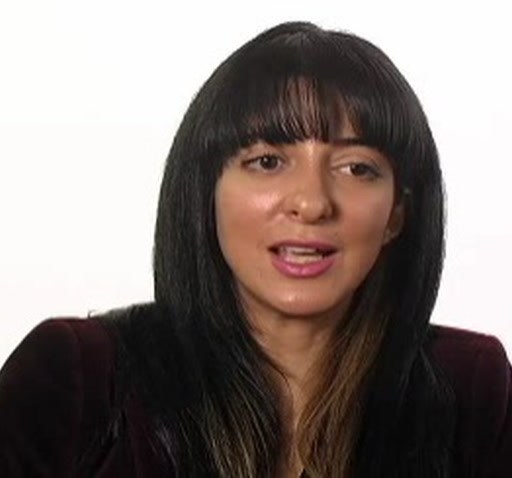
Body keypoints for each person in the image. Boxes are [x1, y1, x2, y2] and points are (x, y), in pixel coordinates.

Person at [0, 21, 510, 478]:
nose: (312, 203)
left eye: (357, 168)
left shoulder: (472, 389)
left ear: (397, 212)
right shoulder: (77, 378)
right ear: (207, 193)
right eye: (267, 162)